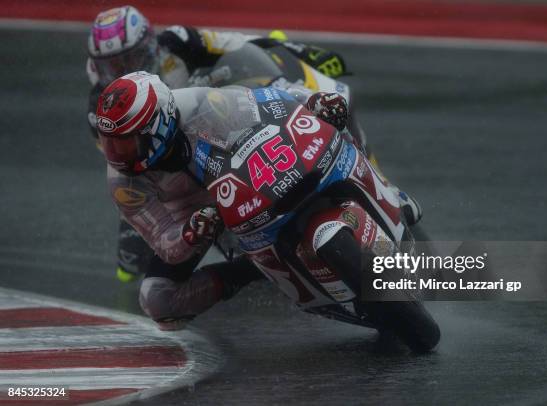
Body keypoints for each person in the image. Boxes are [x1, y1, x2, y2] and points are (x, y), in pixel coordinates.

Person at [85, 5, 350, 281]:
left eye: (132, 58)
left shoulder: (178, 40)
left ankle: (372, 184)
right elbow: (128, 163)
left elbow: (235, 42)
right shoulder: (103, 110)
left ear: (150, 45)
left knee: (326, 103)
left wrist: (298, 51)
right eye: (114, 65)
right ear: (96, 65)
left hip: (216, 118)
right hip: (169, 171)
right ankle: (252, 266)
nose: (126, 70)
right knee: (132, 264)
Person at [95, 71, 350, 330]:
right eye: (111, 143)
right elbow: (163, 242)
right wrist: (191, 233)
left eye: (128, 143)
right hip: (195, 216)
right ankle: (249, 270)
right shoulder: (122, 183)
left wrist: (312, 102)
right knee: (157, 298)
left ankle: (371, 187)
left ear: (158, 124)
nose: (117, 155)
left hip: (248, 174)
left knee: (333, 123)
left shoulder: (198, 104)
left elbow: (270, 102)